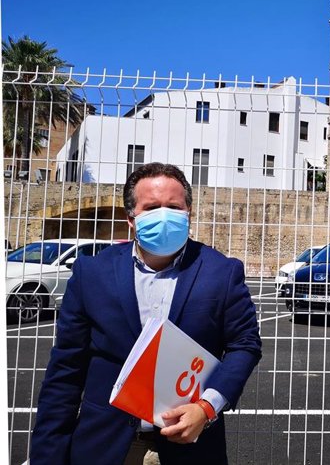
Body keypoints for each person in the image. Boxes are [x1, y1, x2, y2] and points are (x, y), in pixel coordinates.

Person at [30, 163, 262, 465]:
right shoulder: (92, 273)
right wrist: (47, 455)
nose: (164, 215)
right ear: (131, 219)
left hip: (192, 449)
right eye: (151, 207)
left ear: (188, 213)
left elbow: (244, 345)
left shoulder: (221, 272)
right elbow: (66, 370)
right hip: (104, 447)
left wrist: (207, 407)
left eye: (173, 206)